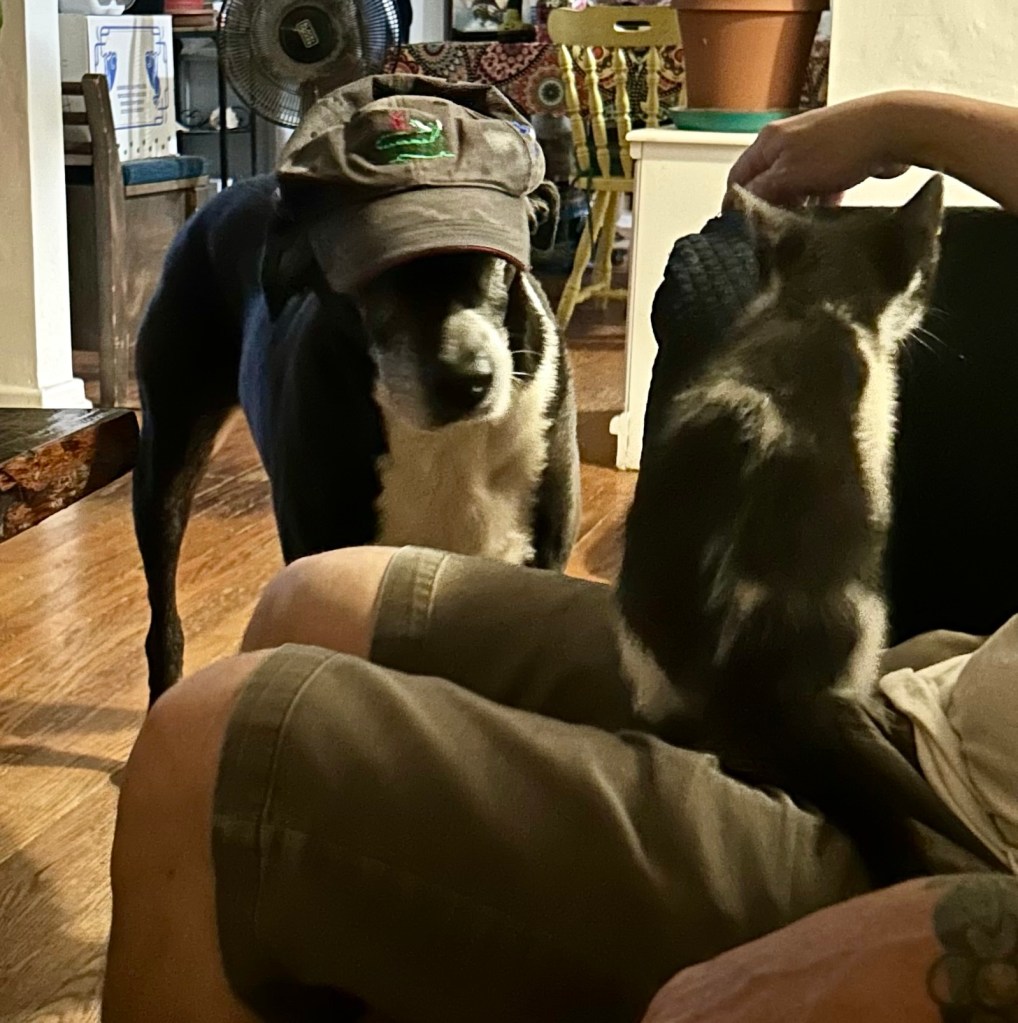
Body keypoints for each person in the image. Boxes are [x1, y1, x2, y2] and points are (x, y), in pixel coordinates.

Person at [103, 90, 1018, 1023]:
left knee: (197, 748)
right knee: (310, 596)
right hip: (937, 693)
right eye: (392, 280)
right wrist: (904, 123)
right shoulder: (293, 324)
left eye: (480, 270)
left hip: (967, 845)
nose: (455, 337)